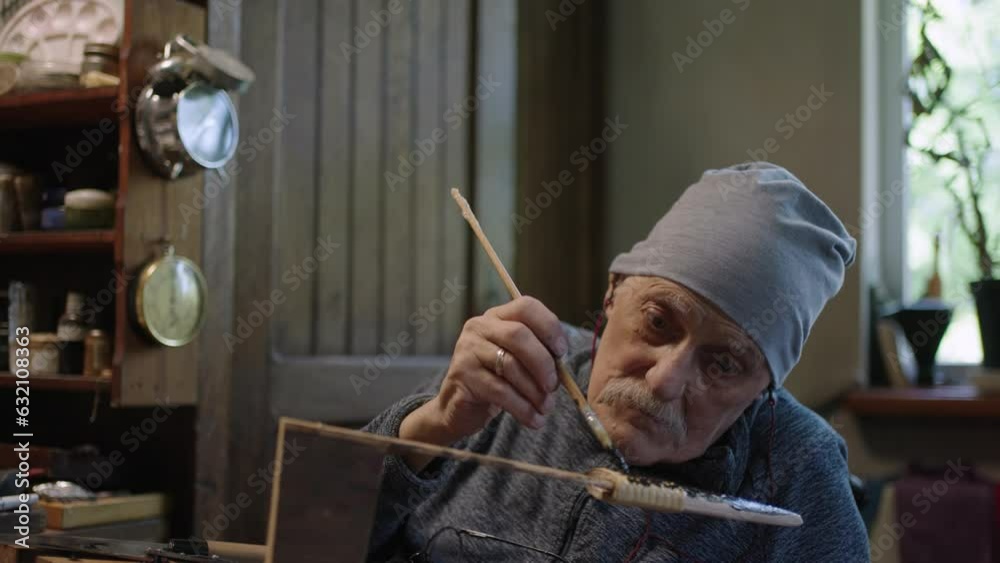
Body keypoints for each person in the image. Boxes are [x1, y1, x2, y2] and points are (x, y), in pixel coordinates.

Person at [363, 162, 870, 562]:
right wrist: (429, 428)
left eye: (723, 365)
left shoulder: (799, 466)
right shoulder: (514, 366)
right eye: (657, 323)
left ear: (764, 392)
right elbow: (312, 536)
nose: (665, 380)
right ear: (612, 296)